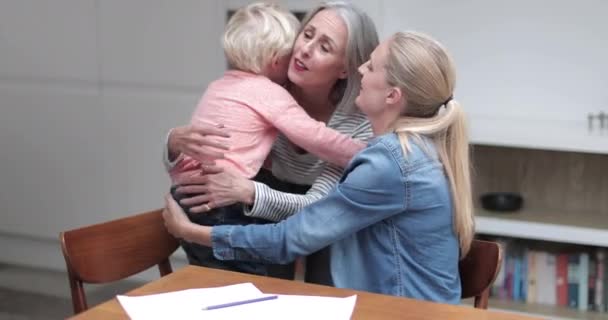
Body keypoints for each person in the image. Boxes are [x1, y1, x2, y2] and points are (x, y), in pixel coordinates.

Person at [162, 31, 475, 304]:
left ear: (393, 96)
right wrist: (175, 142)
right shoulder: (412, 151)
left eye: (372, 65)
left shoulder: (391, 163)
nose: (361, 69)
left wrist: (193, 232)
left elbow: (292, 238)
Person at [165, 1, 379, 284]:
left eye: (324, 47)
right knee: (250, 288)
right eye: (307, 34)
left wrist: (249, 192)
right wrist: (173, 142)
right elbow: (207, 147)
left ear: (345, 68)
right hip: (240, 215)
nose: (304, 49)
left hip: (308, 220)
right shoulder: (269, 85)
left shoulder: (356, 124)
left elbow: (317, 208)